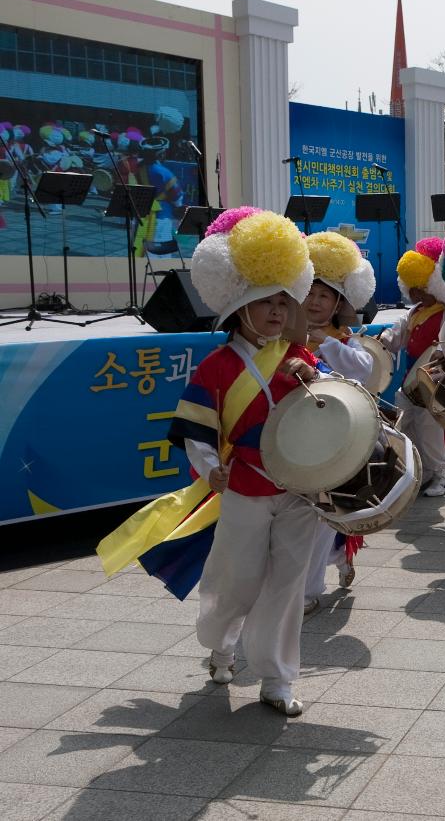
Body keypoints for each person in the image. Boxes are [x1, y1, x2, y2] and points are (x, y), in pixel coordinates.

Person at [99, 207, 318, 717]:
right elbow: (196, 430)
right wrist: (207, 468)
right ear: (239, 307)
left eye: (283, 303)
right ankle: (222, 645)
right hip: (243, 485)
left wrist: (313, 381)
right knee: (235, 579)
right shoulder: (218, 365)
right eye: (265, 303)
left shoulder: (301, 359)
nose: (276, 313)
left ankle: (278, 679)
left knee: (287, 585)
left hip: (299, 488)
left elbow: (331, 415)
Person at [301, 231, 377, 613]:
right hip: (298, 436)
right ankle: (336, 560)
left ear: (337, 305)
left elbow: (365, 370)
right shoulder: (284, 335)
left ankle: (311, 590)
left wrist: (325, 343)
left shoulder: (345, 339)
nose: (315, 301)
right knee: (310, 514)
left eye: (324, 296)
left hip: (336, 438)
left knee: (322, 512)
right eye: (311, 293)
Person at [380, 237, 445, 498]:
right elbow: (396, 339)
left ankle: (441, 477)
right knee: (405, 426)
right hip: (411, 380)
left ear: (434, 285)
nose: (414, 293)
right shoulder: (412, 313)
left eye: (419, 287)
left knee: (430, 430)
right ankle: (419, 473)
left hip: (434, 381)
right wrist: (384, 340)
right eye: (412, 288)